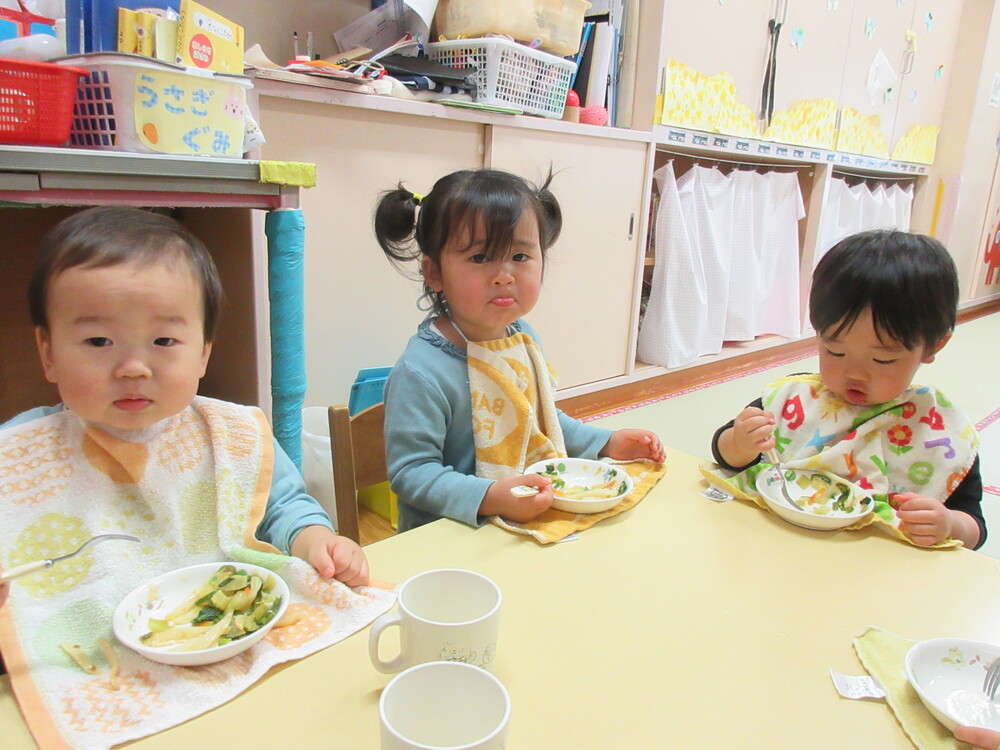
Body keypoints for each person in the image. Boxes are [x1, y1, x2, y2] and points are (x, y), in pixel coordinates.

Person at [0, 206, 368, 586]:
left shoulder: (231, 435)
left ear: (203, 353)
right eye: (98, 341)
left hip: (222, 621)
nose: (133, 368)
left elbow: (284, 510)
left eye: (163, 340)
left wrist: (318, 542)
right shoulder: (20, 452)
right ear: (48, 353)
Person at [374, 168, 665, 532]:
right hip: (451, 538)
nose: (504, 275)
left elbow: (540, 422)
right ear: (434, 274)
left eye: (521, 256)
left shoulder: (522, 339)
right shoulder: (421, 372)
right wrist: (490, 496)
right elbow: (412, 473)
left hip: (525, 519)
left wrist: (606, 443)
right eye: (480, 258)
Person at [711, 229, 984, 549]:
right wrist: (741, 443)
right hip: (775, 544)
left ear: (933, 345)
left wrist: (950, 524)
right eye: (835, 352)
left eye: (883, 359)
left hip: (874, 568)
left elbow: (975, 526)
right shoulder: (796, 399)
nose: (854, 373)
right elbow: (725, 455)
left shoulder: (941, 430)